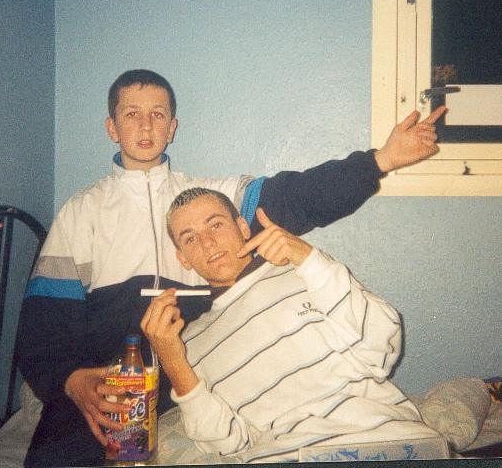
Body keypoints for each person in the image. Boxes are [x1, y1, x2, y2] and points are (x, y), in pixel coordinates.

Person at [16, 69, 445, 466]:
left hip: (192, 362)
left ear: (172, 127)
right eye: (132, 114)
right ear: (112, 127)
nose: (145, 126)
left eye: (157, 114)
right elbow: (42, 323)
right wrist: (71, 380)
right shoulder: (80, 212)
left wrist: (381, 160)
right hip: (113, 372)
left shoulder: (207, 198)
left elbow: (297, 195)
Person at [141, 188, 446, 463]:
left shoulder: (306, 272)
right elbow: (229, 442)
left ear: (243, 228)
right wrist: (172, 361)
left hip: (383, 443)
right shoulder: (189, 342)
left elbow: (382, 346)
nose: (207, 242)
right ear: (183, 258)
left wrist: (308, 256)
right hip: (283, 457)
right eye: (190, 238)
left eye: (216, 224)